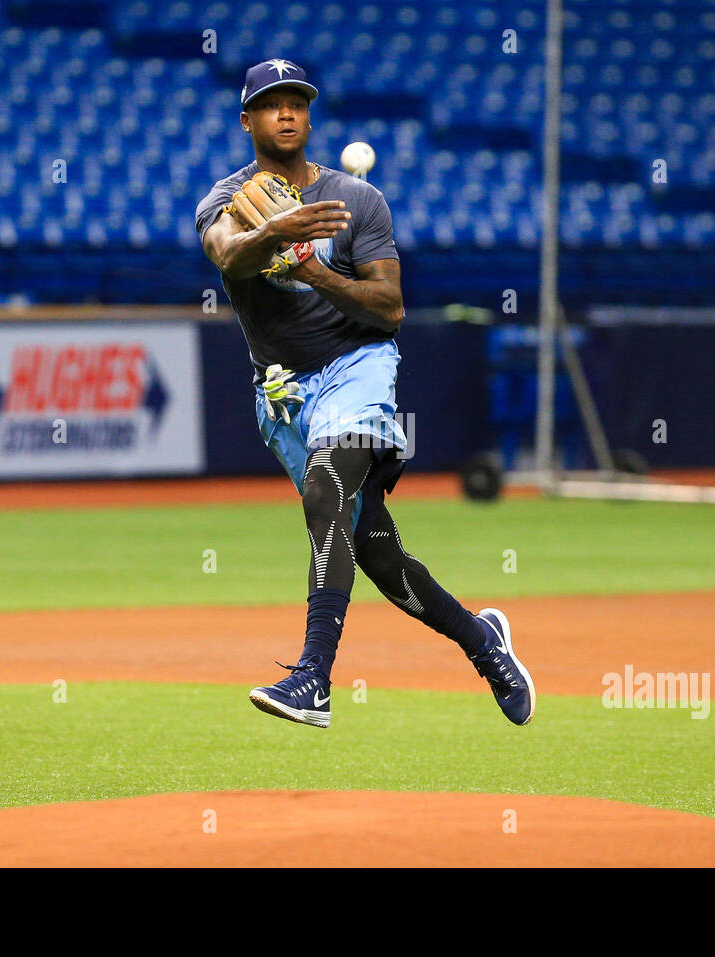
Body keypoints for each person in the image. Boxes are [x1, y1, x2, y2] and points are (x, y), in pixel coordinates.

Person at [194, 58, 534, 729]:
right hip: (285, 394)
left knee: (326, 489)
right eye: (270, 103)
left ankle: (314, 679)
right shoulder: (226, 199)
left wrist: (314, 269)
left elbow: (390, 308)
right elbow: (227, 254)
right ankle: (482, 641)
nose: (286, 112)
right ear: (247, 120)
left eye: (297, 101)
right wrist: (274, 236)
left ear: (309, 116)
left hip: (357, 364)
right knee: (374, 551)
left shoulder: (357, 200)